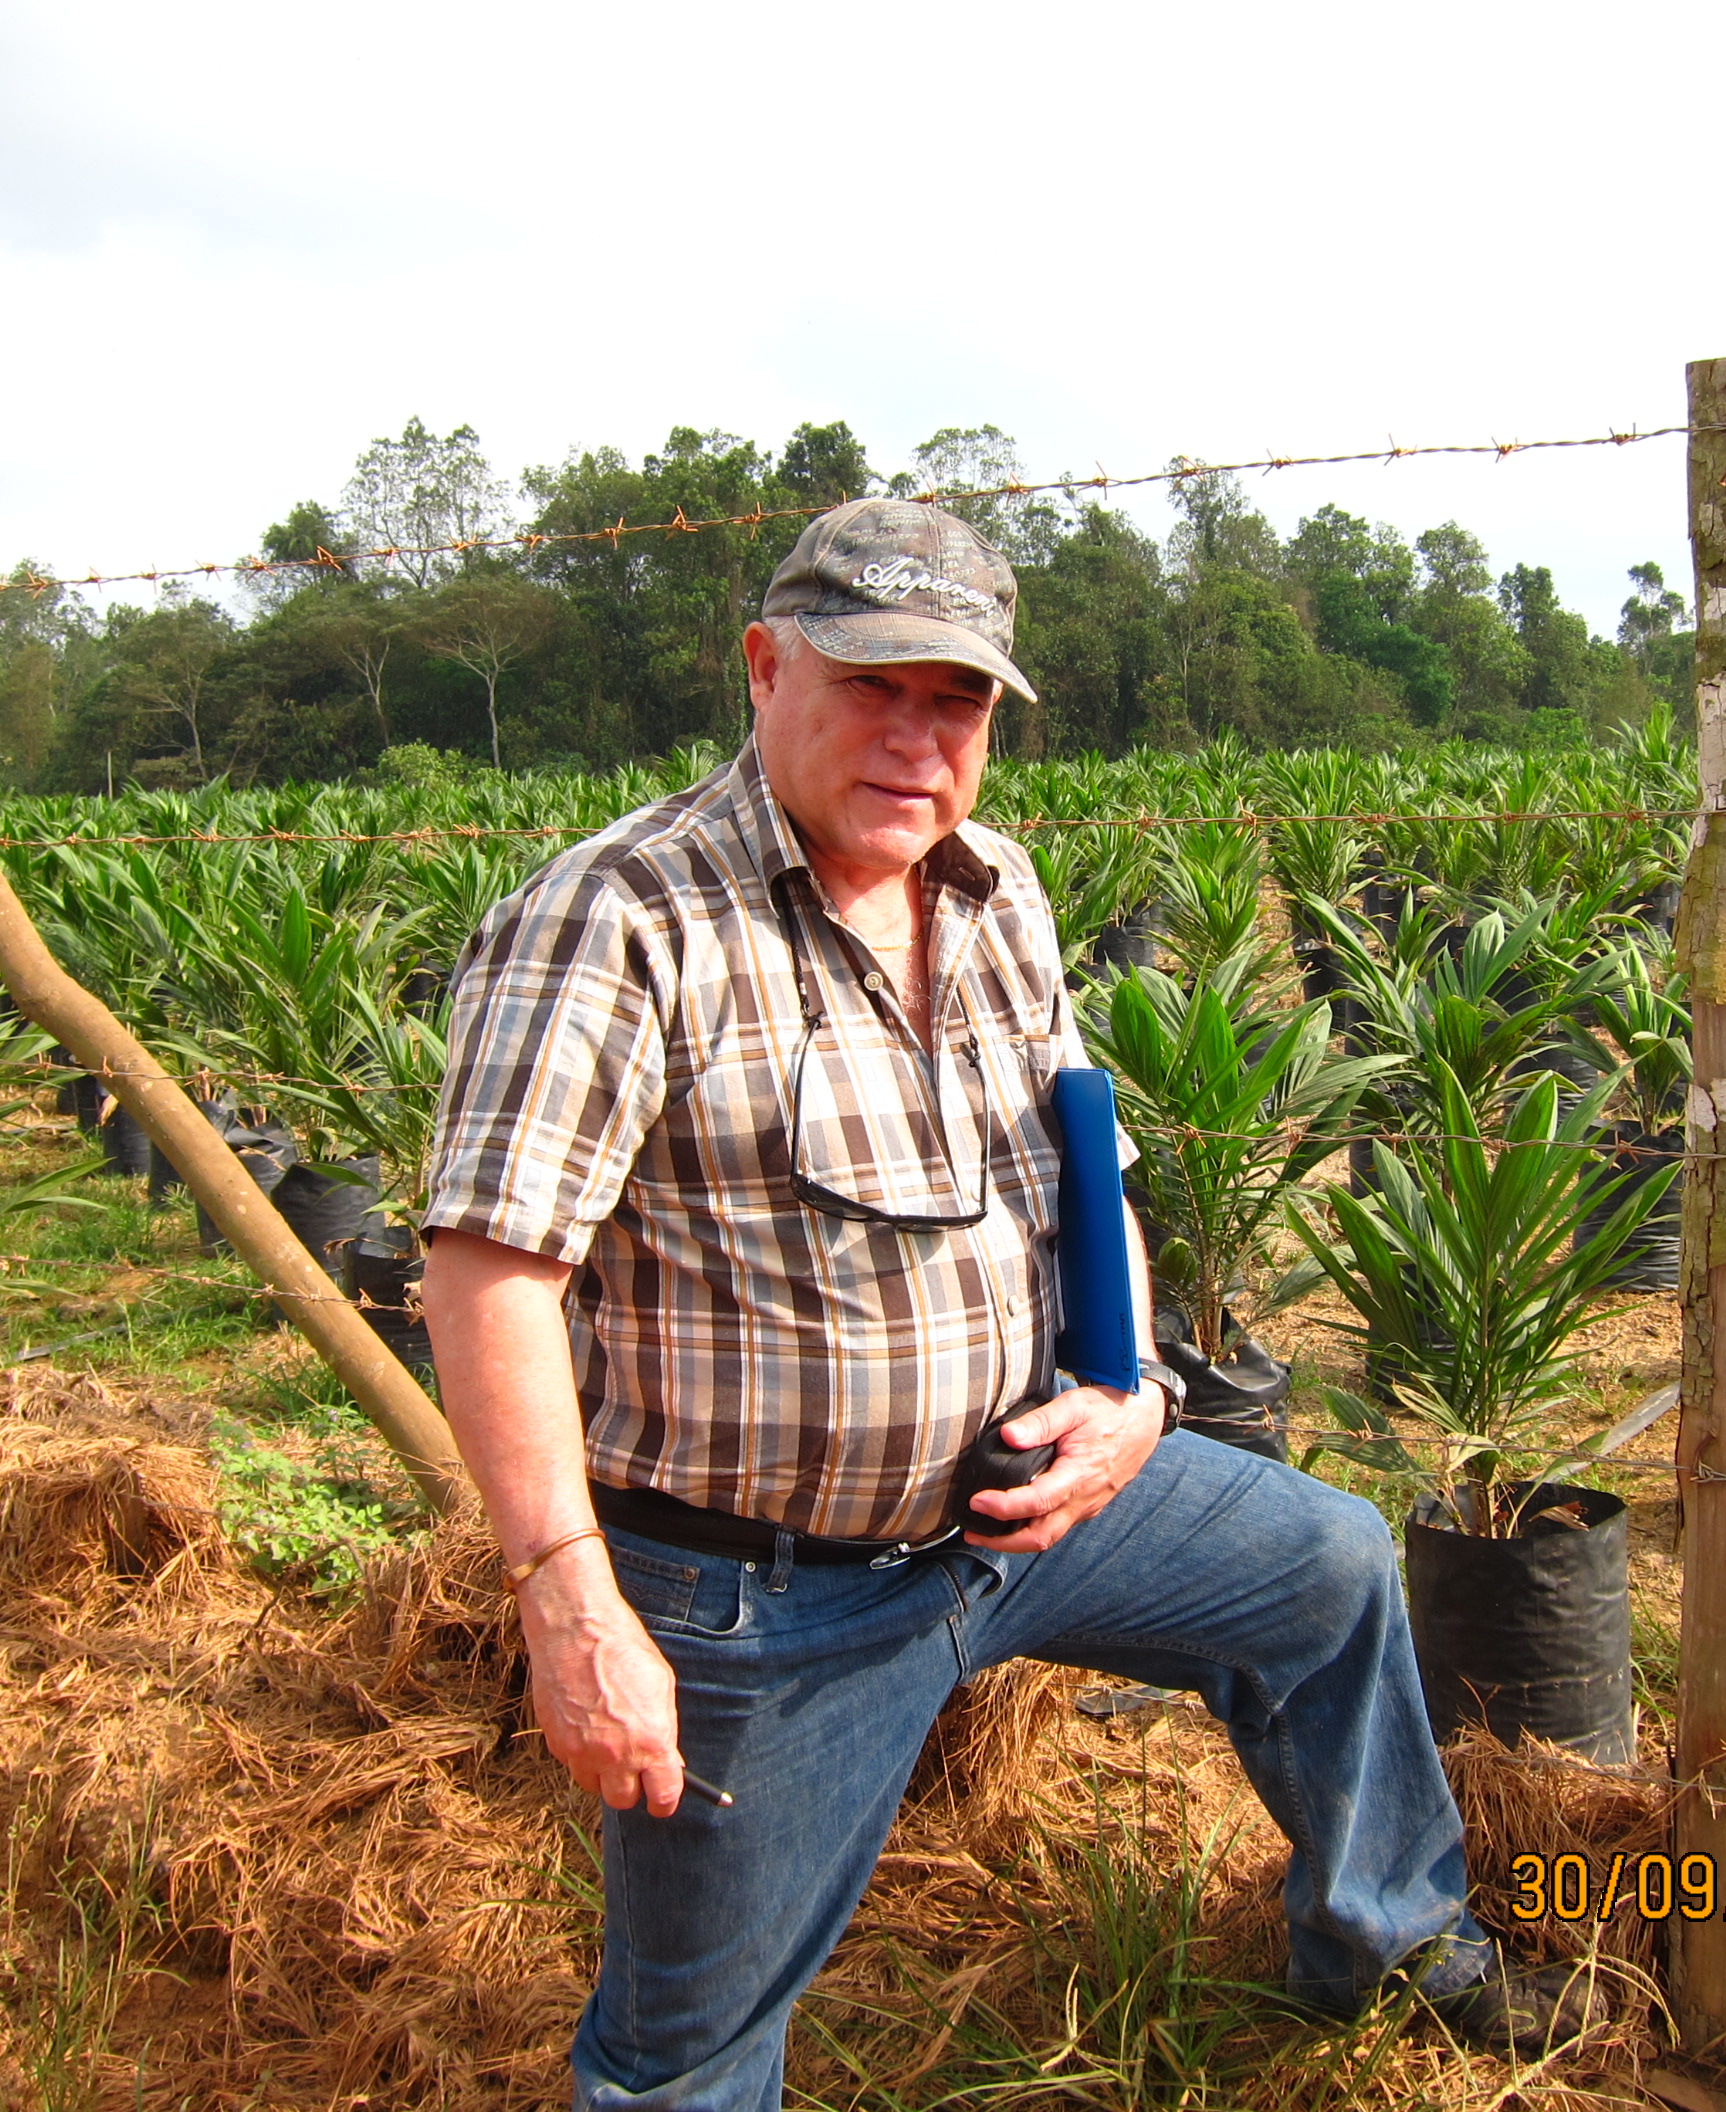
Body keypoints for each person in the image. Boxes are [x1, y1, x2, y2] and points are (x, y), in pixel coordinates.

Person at [421, 498, 1597, 2112]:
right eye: (873, 684)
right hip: (773, 1599)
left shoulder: (997, 889)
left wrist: (1135, 1403)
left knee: (1330, 1569)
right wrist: (568, 1601)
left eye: (956, 699)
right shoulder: (623, 917)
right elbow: (491, 1269)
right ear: (765, 670)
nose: (917, 737)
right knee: (684, 2053)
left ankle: (1385, 1935)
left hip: (1025, 1514)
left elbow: (1079, 1161)